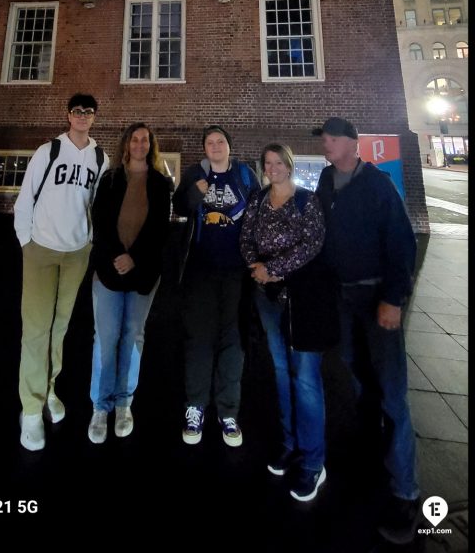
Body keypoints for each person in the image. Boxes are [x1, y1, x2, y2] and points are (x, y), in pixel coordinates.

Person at [313, 116, 420, 544]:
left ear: (351, 144)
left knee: (392, 391)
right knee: (359, 380)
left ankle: (405, 490)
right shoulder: (324, 179)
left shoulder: (377, 186)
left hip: (376, 298)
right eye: (323, 138)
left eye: (330, 138)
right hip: (343, 298)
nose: (325, 143)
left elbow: (401, 242)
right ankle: (371, 457)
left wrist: (393, 298)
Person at [240, 143, 338, 502]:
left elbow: (313, 243)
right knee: (281, 372)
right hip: (267, 299)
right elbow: (246, 237)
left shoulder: (306, 200)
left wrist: (274, 268)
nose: (273, 167)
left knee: (307, 379)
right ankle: (288, 443)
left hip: (301, 302)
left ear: (289, 165)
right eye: (268, 163)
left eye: (279, 162)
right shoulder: (258, 200)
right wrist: (256, 268)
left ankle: (313, 461)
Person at [14, 93, 108, 451]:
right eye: (77, 111)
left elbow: (96, 206)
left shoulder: (100, 157)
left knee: (60, 327)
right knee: (36, 330)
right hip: (41, 248)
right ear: (68, 115)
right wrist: (26, 240)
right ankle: (31, 409)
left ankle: (49, 388)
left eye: (88, 112)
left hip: (76, 253)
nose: (83, 116)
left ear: (95, 117)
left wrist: (90, 242)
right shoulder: (47, 151)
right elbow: (26, 198)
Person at [173, 125, 260, 447]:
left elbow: (259, 213)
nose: (216, 146)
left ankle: (228, 411)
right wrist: (196, 191)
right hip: (200, 270)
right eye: (210, 143)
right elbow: (180, 207)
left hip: (237, 273)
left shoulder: (245, 175)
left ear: (229, 146)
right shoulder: (195, 172)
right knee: (199, 340)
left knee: (233, 342)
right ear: (204, 149)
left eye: (220, 141)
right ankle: (195, 406)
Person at [88, 123, 170, 443]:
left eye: (145, 140)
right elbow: (101, 220)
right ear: (126, 144)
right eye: (134, 139)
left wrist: (134, 257)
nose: (139, 144)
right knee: (105, 338)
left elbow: (160, 228)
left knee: (133, 336)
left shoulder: (160, 183)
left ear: (151, 145)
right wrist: (116, 256)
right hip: (108, 270)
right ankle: (100, 405)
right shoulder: (110, 178)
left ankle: (124, 403)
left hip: (143, 271)